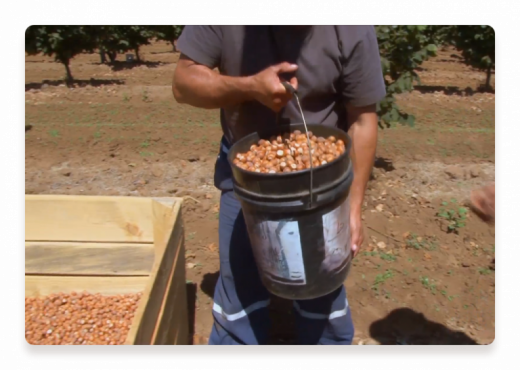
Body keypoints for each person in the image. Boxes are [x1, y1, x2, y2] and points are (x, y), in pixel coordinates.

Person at [172, 24, 386, 345]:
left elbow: (362, 119)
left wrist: (352, 208)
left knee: (322, 285)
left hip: (321, 181)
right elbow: (183, 84)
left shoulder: (351, 29)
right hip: (247, 172)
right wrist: (248, 87)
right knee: (241, 283)